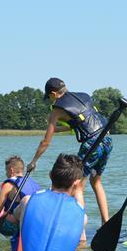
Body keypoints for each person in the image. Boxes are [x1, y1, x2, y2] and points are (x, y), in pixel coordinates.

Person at [27, 78, 112, 225]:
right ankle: (106, 223)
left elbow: (45, 142)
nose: (50, 100)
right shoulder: (84, 96)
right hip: (107, 139)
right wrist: (53, 129)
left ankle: (78, 230)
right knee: (96, 181)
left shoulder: (57, 109)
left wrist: (33, 161)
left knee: (77, 185)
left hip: (92, 144)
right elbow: (79, 123)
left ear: (54, 94)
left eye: (49, 97)